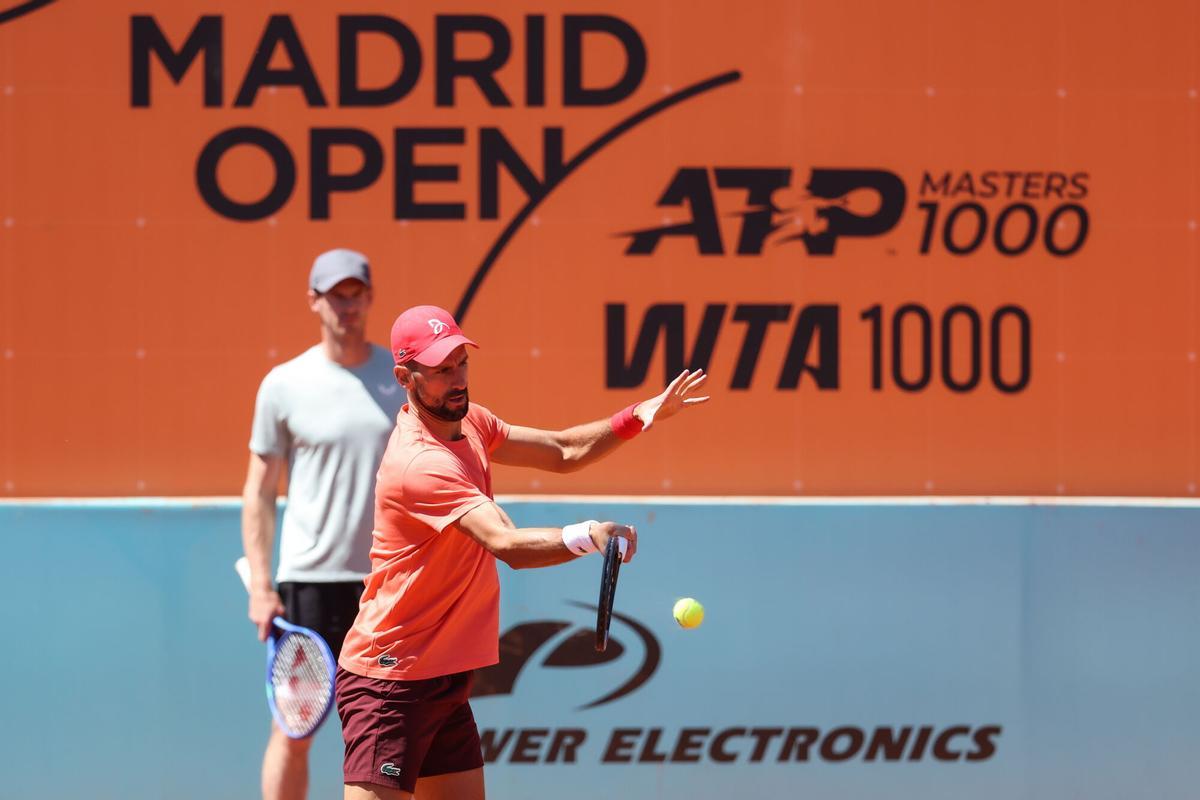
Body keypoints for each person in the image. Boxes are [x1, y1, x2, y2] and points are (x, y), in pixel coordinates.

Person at [335, 304, 709, 800]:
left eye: (461, 363)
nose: (457, 379)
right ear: (406, 377)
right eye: (442, 370)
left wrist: (638, 416)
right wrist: (589, 535)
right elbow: (506, 544)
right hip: (391, 680)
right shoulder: (420, 464)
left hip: (443, 676)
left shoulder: (472, 423)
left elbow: (562, 450)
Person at [242, 249, 406, 800]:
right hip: (309, 585)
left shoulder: (401, 379)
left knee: (385, 734)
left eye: (356, 294)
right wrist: (261, 586)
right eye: (336, 295)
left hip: (385, 585)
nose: (347, 306)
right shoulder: (284, 384)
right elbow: (259, 492)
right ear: (314, 301)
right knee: (295, 730)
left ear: (370, 297)